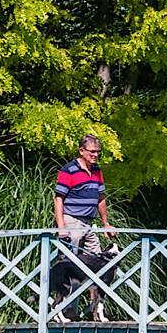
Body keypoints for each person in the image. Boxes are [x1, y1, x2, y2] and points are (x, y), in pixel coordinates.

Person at [54, 134, 114, 322]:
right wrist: (61, 227)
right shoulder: (68, 170)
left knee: (98, 264)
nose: (95, 155)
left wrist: (105, 223)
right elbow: (58, 199)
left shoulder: (97, 170)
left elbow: (100, 197)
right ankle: (66, 309)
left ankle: (95, 310)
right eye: (92, 152)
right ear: (82, 151)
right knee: (68, 265)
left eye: (98, 152)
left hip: (89, 222)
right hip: (71, 221)